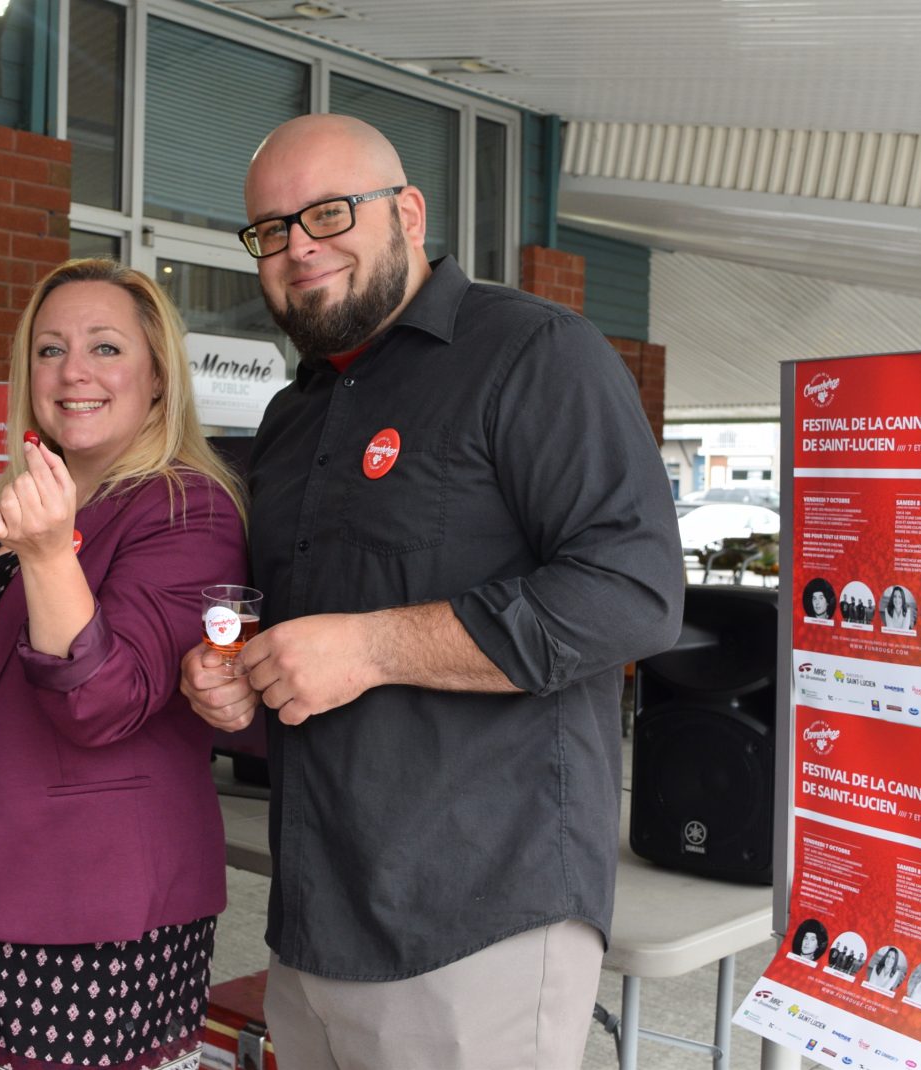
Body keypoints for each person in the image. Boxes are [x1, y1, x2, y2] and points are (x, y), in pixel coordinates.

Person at [179, 114, 683, 1070]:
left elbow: (633, 591)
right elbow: (298, 648)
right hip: (314, 916)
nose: (299, 248)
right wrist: (238, 681)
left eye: (329, 213)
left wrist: (371, 647)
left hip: (480, 921)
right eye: (271, 231)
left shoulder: (535, 354)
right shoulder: (295, 417)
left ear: (408, 211)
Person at [0, 259, 248, 1070]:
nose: (74, 371)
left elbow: (103, 701)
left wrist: (51, 554)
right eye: (50, 350)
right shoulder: (17, 498)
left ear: (159, 377)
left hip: (92, 901)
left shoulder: (186, 505)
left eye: (105, 347)